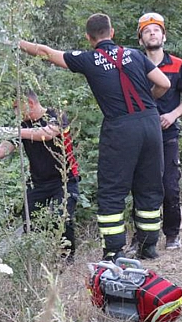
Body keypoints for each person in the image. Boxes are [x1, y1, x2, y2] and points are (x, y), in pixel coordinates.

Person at [15, 13, 171, 261]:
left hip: (120, 128)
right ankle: (148, 246)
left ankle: (114, 251)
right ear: (113, 32)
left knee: (112, 190)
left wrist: (16, 43)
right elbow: (164, 83)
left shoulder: (89, 59)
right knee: (149, 184)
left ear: (89, 38)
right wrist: (147, 103)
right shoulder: (135, 54)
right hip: (150, 123)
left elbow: (46, 52)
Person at [0, 90, 80, 261]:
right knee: (30, 221)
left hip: (65, 180)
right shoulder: (22, 124)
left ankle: (66, 260)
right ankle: (35, 259)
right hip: (38, 183)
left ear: (29, 103)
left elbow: (48, 133)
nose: (15, 112)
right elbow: (3, 150)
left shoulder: (54, 114)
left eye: (17, 107)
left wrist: (16, 132)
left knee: (62, 218)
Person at [131, 12, 182, 251]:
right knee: (142, 187)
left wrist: (173, 115)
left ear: (164, 36)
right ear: (141, 39)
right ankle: (141, 237)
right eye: (147, 31)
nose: (152, 33)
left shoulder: (177, 64)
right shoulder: (134, 63)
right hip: (140, 135)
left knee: (170, 186)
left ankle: (172, 235)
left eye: (156, 30)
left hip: (167, 136)